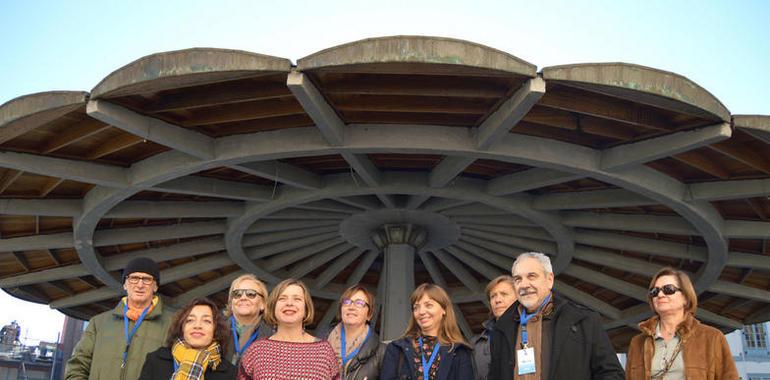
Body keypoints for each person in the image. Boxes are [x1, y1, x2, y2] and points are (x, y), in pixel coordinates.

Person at [488, 252, 624, 380]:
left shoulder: (584, 320)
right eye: (518, 279)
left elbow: (612, 374)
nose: (524, 285)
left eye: (531, 276)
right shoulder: (500, 330)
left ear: (549, 280)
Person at [65, 257, 172, 380]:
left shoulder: (173, 324)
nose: (140, 285)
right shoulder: (98, 323)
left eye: (147, 279)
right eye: (134, 278)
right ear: (125, 284)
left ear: (155, 287)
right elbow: (77, 365)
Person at [626, 267, 738, 379]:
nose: (660, 295)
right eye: (654, 292)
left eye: (668, 289)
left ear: (686, 297)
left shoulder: (712, 337)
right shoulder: (637, 343)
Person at [237, 278, 339, 380]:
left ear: (306, 308)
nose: (289, 303)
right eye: (282, 298)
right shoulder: (257, 350)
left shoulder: (324, 351)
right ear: (273, 307)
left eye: (297, 299)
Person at [380, 283, 474, 380]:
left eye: (428, 305)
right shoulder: (396, 349)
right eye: (416, 307)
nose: (421, 312)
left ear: (444, 309)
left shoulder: (459, 351)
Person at [139, 298, 236, 379]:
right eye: (190, 320)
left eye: (206, 321)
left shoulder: (230, 373)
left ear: (216, 329)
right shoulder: (155, 360)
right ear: (181, 327)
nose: (197, 325)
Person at [322, 284, 384, 380]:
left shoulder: (382, 352)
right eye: (347, 302)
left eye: (359, 303)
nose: (351, 307)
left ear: (369, 315)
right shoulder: (320, 343)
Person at [471, 275, 517, 380]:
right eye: (493, 296)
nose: (497, 300)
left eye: (504, 294)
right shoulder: (476, 343)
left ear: (518, 298)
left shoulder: (530, 333)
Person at [224, 274, 272, 364]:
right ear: (231, 303)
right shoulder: (214, 331)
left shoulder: (274, 336)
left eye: (251, 294)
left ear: (263, 304)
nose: (243, 298)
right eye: (237, 294)